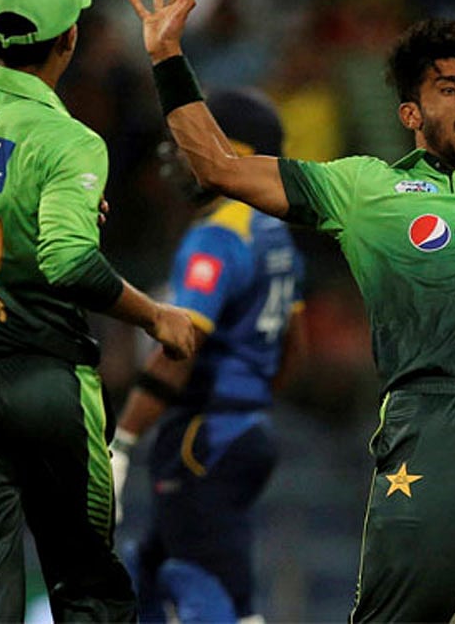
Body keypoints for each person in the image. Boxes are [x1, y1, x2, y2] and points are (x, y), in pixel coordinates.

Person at [128, 0, 455, 623]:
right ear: (411, 113)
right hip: (430, 422)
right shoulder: (363, 187)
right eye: (449, 88)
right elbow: (218, 165)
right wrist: (167, 57)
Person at [0, 0, 197, 622]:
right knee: (89, 592)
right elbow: (70, 262)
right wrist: (155, 316)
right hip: (44, 386)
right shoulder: (68, 141)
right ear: (69, 40)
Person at [110, 87, 307, 623]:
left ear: (233, 152)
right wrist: (250, 401)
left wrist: (124, 440)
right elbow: (296, 344)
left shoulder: (218, 236)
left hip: (205, 434)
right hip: (245, 430)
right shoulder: (276, 232)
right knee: (150, 571)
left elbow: (180, 347)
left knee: (205, 588)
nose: (178, 154)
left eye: (189, 142)